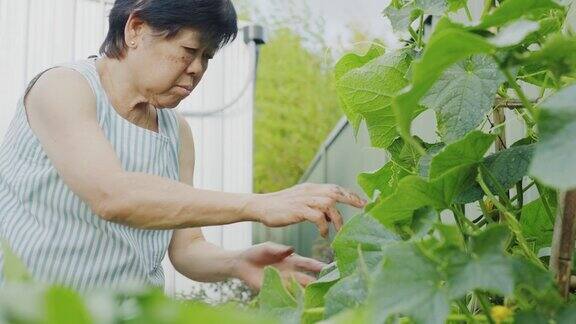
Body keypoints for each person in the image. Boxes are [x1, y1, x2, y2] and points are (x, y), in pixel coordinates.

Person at [0, 0, 366, 292]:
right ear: (136, 29)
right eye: (189, 50)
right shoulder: (65, 88)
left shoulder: (177, 133)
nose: (197, 69)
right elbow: (112, 195)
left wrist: (237, 263)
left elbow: (187, 248)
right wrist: (258, 203)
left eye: (206, 57)